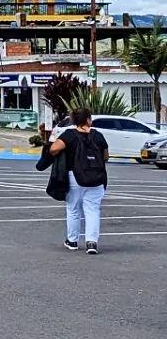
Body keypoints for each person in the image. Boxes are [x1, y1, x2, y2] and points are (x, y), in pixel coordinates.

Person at [46, 108, 108, 253]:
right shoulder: (98, 136)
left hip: (75, 176)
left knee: (73, 209)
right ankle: (91, 243)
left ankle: (72, 241)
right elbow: (105, 156)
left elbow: (53, 149)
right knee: (92, 210)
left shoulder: (69, 135)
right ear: (87, 120)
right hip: (97, 178)